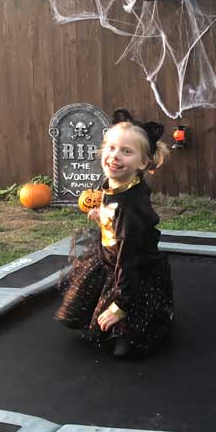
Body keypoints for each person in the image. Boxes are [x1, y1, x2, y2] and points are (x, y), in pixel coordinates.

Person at [55, 109, 173, 359]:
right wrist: (101, 214)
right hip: (109, 259)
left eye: (126, 151)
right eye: (110, 148)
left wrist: (121, 306)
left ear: (143, 163)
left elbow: (128, 260)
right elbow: (111, 203)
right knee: (75, 316)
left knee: (126, 350)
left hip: (134, 272)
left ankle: (147, 318)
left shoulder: (131, 211)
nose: (114, 157)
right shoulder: (114, 182)